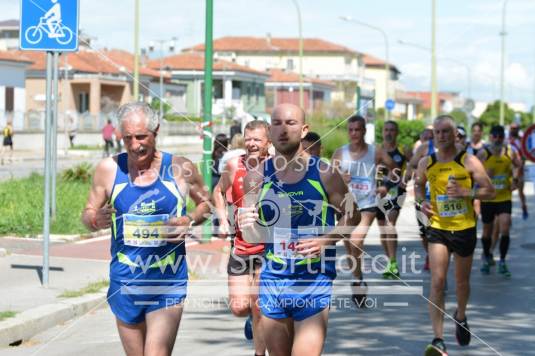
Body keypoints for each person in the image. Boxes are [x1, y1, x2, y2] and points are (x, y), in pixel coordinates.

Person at [81, 102, 210, 356]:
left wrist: (190, 220)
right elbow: (87, 213)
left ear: (156, 131)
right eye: (127, 137)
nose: (134, 144)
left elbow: (206, 203)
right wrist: (95, 219)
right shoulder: (109, 169)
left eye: (141, 136)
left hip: (167, 280)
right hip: (125, 280)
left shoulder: (180, 168)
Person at [238, 103, 357, 356]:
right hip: (274, 279)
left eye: (290, 123)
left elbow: (352, 216)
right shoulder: (256, 177)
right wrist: (245, 224)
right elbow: (254, 235)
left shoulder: (325, 173)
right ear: (270, 130)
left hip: (313, 278)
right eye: (277, 124)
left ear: (304, 130)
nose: (283, 130)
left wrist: (326, 240)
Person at [414, 115, 495, 356]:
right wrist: (422, 202)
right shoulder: (426, 162)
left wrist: (466, 192)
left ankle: (460, 315)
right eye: (437, 132)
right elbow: (418, 185)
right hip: (437, 227)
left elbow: (490, 190)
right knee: (437, 282)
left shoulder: (468, 161)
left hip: (464, 228)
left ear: (455, 135)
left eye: (445, 132)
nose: (441, 136)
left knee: (461, 282)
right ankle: (438, 338)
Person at [213, 120, 271, 355]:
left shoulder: (278, 167)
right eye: (248, 139)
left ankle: (259, 352)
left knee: (259, 305)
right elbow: (217, 191)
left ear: (269, 141)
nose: (252, 143)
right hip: (240, 245)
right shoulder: (234, 166)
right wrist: (224, 220)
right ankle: (249, 317)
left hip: (268, 248)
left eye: (257, 139)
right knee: (239, 307)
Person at [331, 115, 395, 306]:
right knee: (350, 246)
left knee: (356, 240)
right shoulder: (340, 153)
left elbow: (393, 169)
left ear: (364, 131)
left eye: (357, 129)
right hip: (346, 204)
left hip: (367, 203)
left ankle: (358, 281)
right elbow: (328, 176)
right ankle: (358, 279)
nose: (353, 133)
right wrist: (340, 177)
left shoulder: (376, 152)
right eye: (350, 130)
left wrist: (384, 185)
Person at [478, 125, 521, 277]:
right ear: (490, 137)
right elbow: (472, 172)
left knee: (505, 227)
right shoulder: (484, 153)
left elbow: (518, 165)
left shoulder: (510, 152)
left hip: (504, 197)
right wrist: (484, 174)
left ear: (504, 137)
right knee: (487, 231)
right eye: (494, 136)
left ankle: (502, 261)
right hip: (488, 199)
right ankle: (487, 257)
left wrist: (515, 178)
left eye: (500, 136)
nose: (497, 139)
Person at [376, 120, 410, 279]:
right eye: (386, 130)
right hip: (378, 193)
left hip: (397, 192)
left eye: (392, 130)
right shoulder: (376, 150)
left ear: (396, 133)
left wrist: (407, 178)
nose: (388, 133)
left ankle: (393, 262)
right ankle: (390, 260)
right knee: (383, 228)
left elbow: (413, 166)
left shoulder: (404, 150)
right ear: (382, 132)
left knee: (390, 224)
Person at [508, 122, 528, 219]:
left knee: (521, 192)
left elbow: (525, 153)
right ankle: (508, 214)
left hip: (520, 170)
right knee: (508, 193)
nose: (513, 130)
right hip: (509, 171)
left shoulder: (522, 140)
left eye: (515, 128)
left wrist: (523, 161)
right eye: (512, 128)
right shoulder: (506, 140)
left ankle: (524, 207)